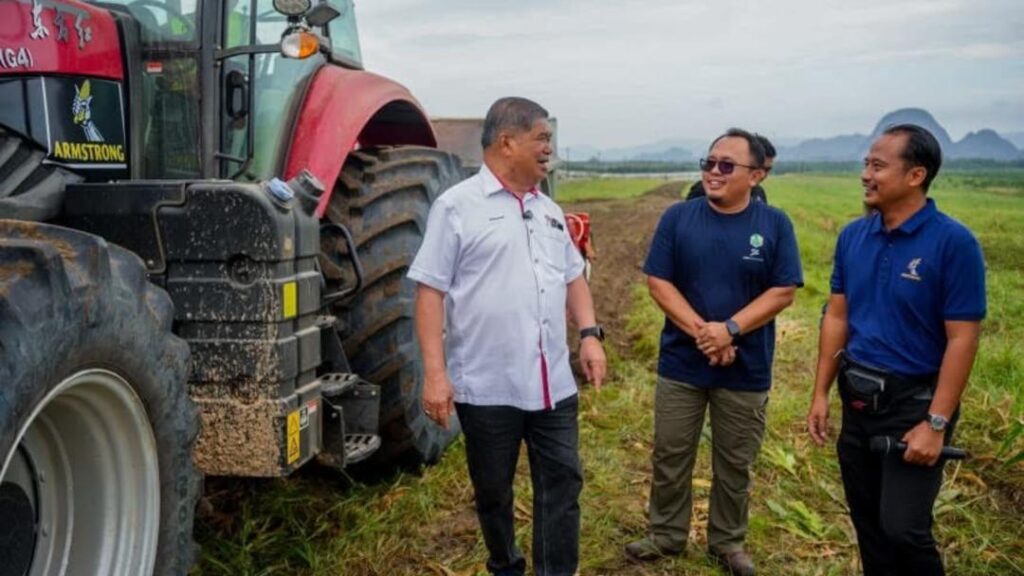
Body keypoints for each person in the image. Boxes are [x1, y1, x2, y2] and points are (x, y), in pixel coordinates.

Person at [408, 97, 607, 576]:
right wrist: (435, 375)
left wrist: (589, 333)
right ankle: (505, 565)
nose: (548, 149)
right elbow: (430, 292)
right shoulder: (457, 208)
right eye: (541, 138)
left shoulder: (550, 211)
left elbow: (573, 275)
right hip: (487, 385)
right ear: (507, 142)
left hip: (553, 385)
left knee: (563, 484)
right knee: (493, 491)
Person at [806, 124, 986, 575]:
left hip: (916, 406)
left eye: (878, 165)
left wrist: (937, 422)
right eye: (866, 163)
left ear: (915, 175)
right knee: (869, 526)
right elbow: (838, 317)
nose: (866, 174)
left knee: (903, 528)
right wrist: (821, 393)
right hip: (860, 398)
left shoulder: (952, 242)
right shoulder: (853, 237)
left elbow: (963, 338)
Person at [627, 128, 803, 576]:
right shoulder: (678, 218)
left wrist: (731, 330)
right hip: (682, 364)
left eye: (727, 165)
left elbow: (783, 291)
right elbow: (658, 282)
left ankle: (726, 543)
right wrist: (706, 335)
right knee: (671, 452)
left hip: (746, 368)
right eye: (709, 163)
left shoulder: (774, 224)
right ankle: (666, 534)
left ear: (757, 175)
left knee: (734, 460)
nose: (714, 172)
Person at [686, 134, 776, 203]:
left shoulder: (758, 193)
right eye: (760, 168)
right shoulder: (705, 190)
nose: (763, 175)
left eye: (767, 170)